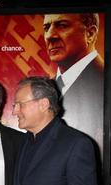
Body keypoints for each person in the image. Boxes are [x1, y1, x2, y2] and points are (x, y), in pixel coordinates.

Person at [12, 76, 98, 185]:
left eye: (20, 104)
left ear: (43, 104)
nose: (15, 111)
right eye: (15, 105)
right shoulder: (23, 141)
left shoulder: (76, 144)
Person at [43, 13, 104, 152]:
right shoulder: (48, 87)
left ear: (90, 33)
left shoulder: (104, 83)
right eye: (46, 28)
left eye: (62, 26)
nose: (49, 36)